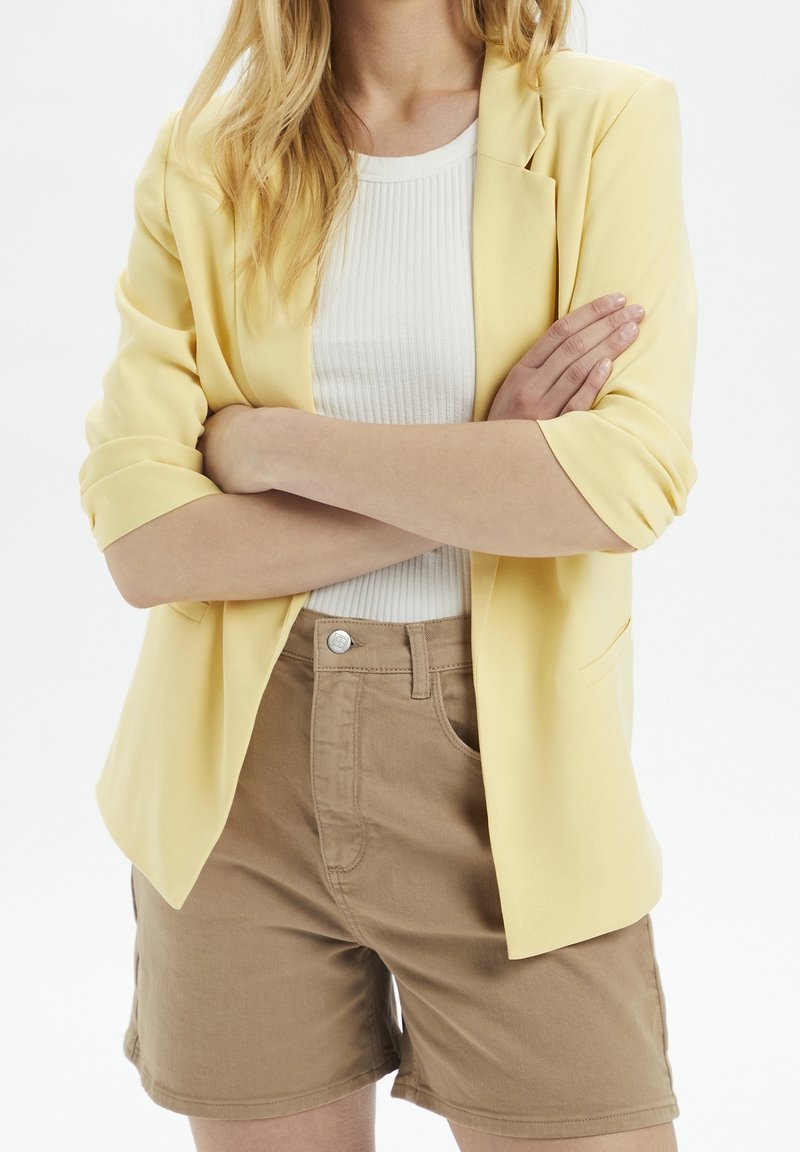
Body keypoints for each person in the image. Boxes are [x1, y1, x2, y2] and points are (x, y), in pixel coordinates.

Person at [78, 0, 697, 1149]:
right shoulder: (208, 155)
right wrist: (482, 467)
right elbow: (148, 546)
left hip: (509, 781)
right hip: (232, 783)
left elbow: (617, 489)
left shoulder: (601, 123)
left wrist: (273, 447)